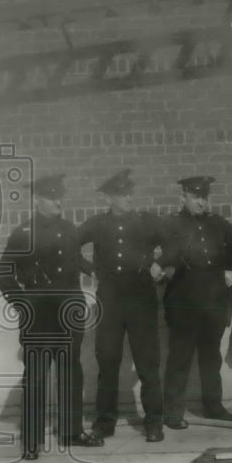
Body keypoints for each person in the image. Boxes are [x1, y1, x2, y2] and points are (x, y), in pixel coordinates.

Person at [0, 173, 103, 459]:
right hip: (39, 315)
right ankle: (31, 441)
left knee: (70, 371)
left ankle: (72, 430)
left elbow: (73, 258)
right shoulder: (23, 233)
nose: (58, 202)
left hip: (68, 311)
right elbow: (3, 273)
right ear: (37, 200)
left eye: (60, 197)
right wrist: (23, 304)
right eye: (52, 197)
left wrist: (91, 269)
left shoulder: (69, 229)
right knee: (37, 376)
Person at [78, 169, 166, 442]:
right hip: (110, 298)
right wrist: (89, 269)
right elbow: (69, 245)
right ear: (109, 198)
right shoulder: (96, 224)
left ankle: (154, 423)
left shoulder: (145, 221)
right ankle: (105, 423)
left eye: (130, 193)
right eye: (122, 194)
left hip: (140, 297)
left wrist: (160, 264)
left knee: (147, 363)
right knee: (108, 361)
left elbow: (177, 240)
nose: (129, 198)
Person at [159, 176, 232, 429]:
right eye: (195, 197)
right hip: (183, 302)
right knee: (180, 359)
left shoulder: (217, 223)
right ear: (183, 198)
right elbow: (155, 250)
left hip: (213, 301)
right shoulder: (171, 224)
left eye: (204, 197)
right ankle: (173, 412)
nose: (200, 202)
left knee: (211, 359)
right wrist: (163, 266)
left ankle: (214, 407)